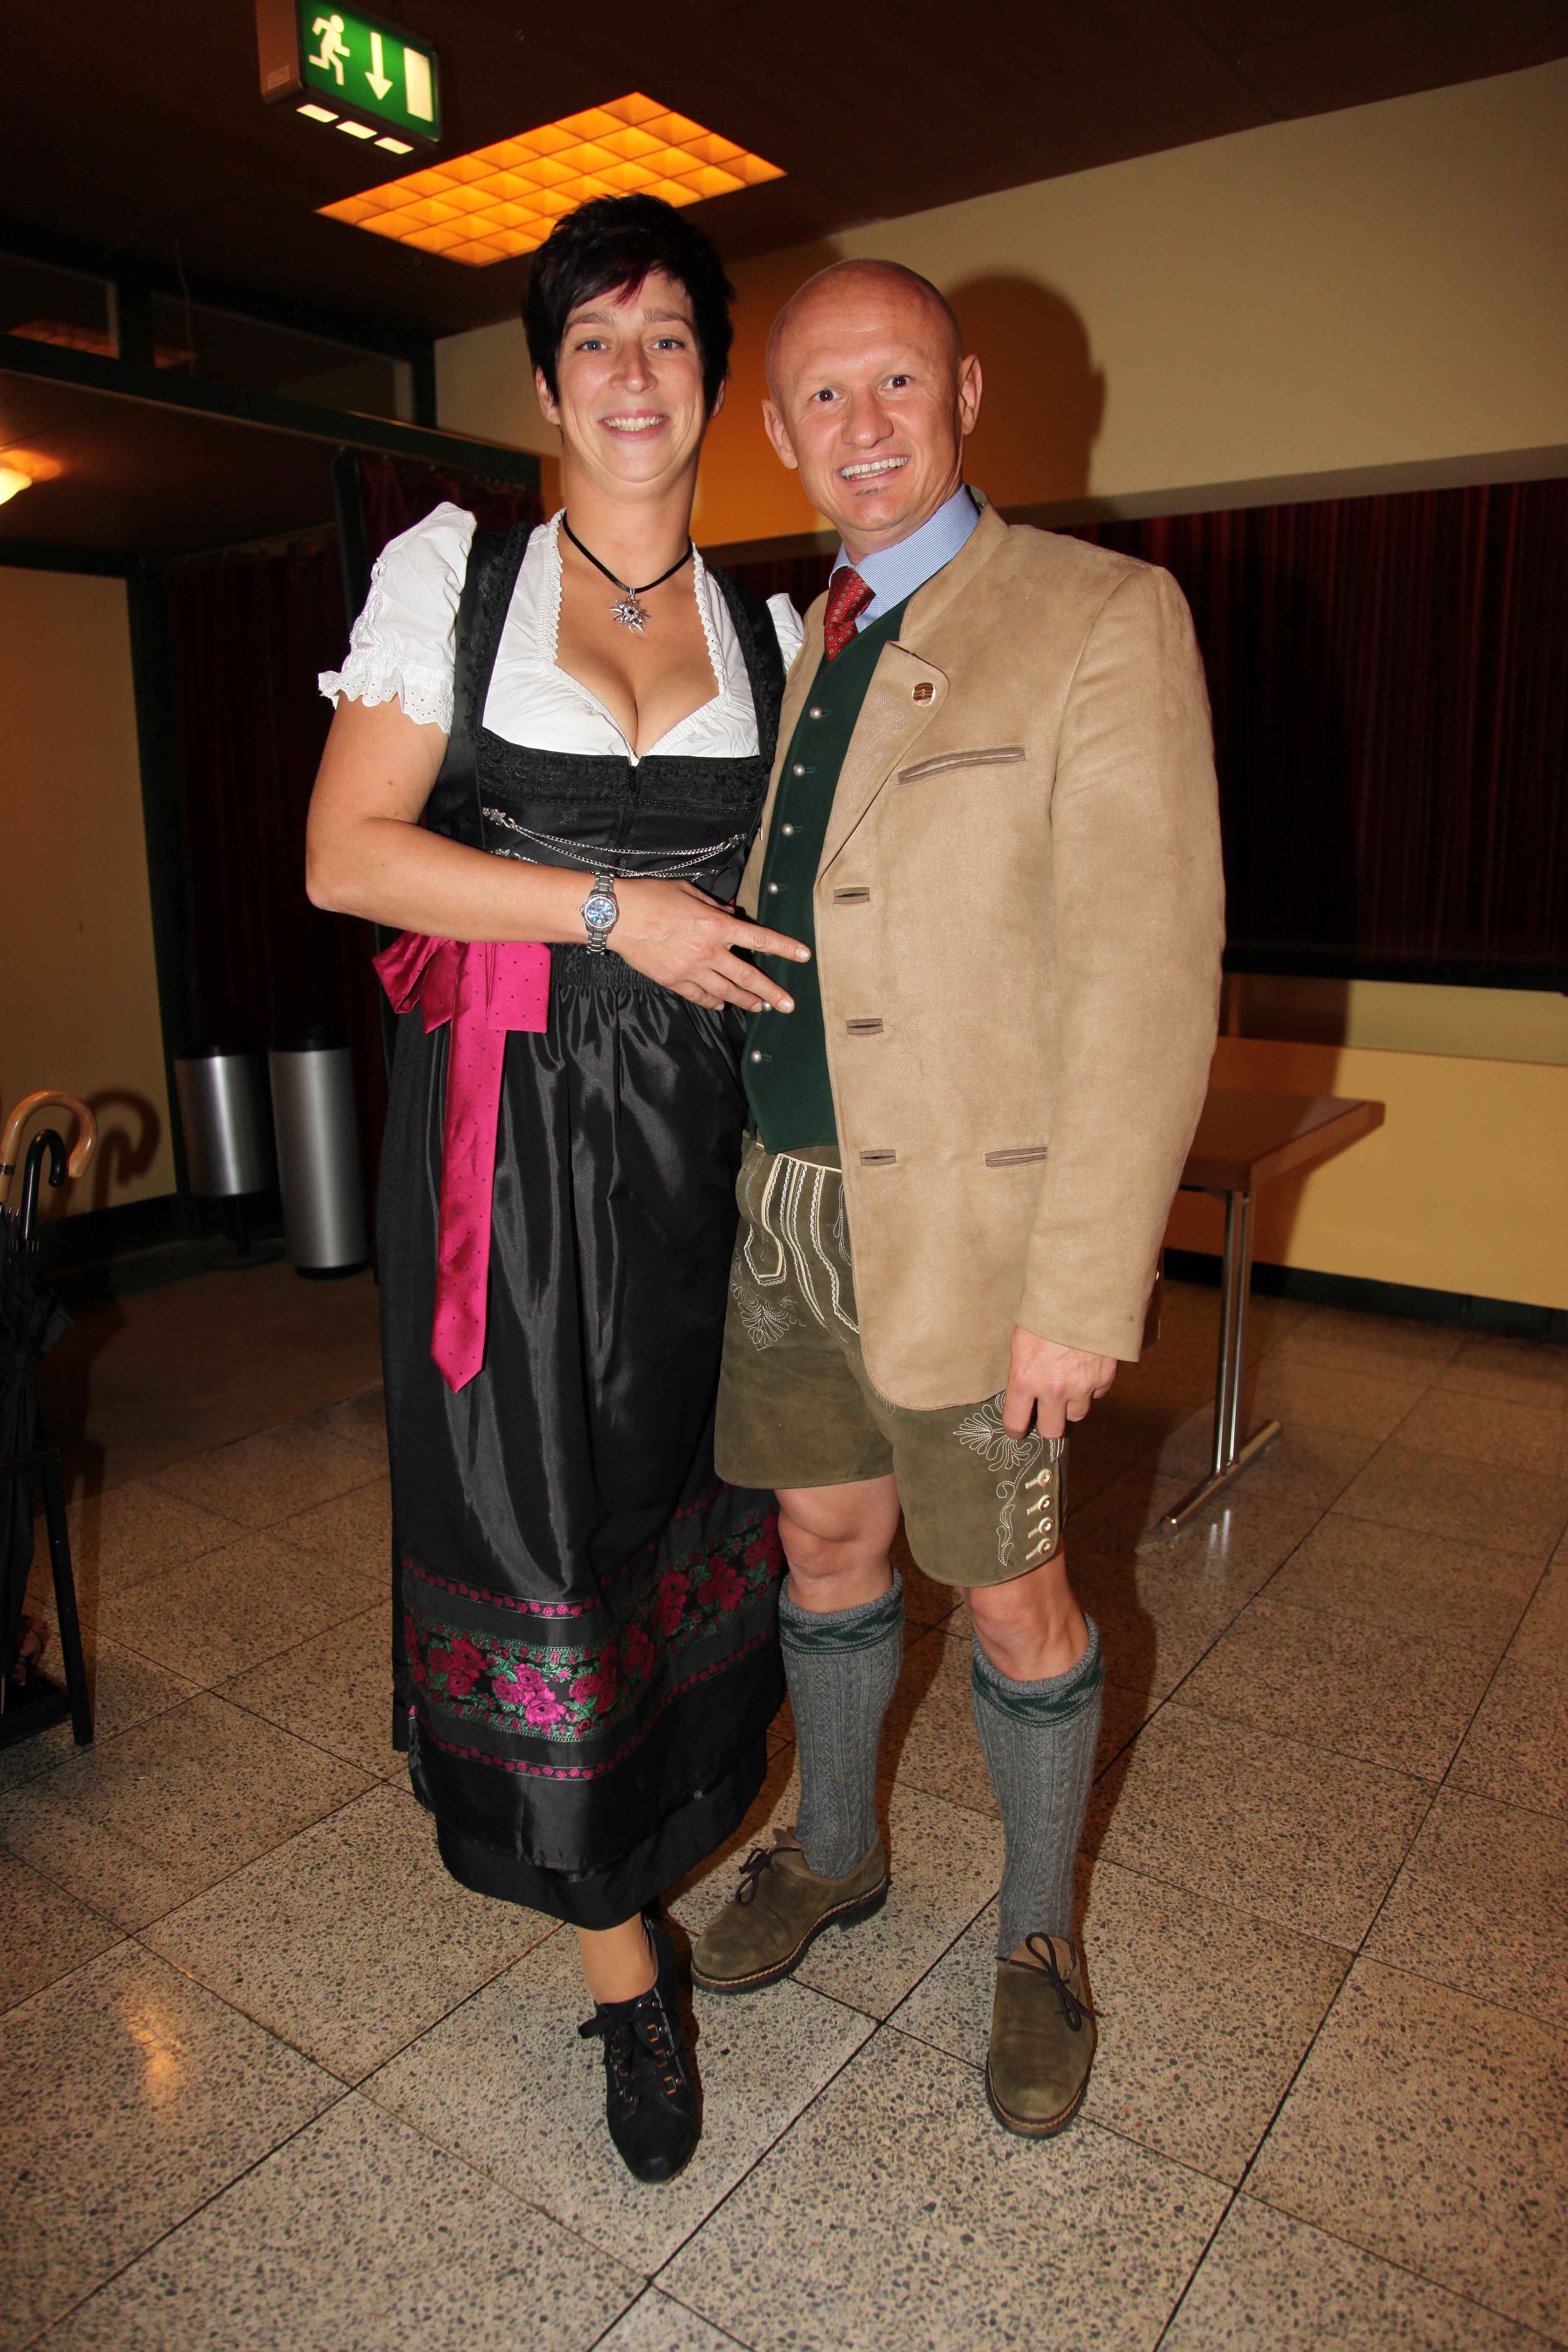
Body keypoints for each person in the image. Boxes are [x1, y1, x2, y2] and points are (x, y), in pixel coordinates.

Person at [305, 194, 814, 2184]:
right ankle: (622, 1972)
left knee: (689, 1508)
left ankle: (680, 1848)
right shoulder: (460, 577)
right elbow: (350, 854)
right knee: (534, 1515)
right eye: (593, 337)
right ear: (542, 383)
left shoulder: (775, 637)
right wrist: (617, 910)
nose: (630, 371)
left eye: (668, 335)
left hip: (703, 1148)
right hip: (504, 1147)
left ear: (714, 384)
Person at [692, 260, 1225, 2140]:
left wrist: (1083, 1286)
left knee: (1012, 1604)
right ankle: (837, 1850)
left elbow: (1152, 974)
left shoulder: (1099, 613)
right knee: (823, 1548)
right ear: (778, 429)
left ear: (968, 393)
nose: (865, 427)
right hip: (793, 1211)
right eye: (825, 397)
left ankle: (1038, 1937)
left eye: (899, 384)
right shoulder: (805, 638)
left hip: (977, 1243)